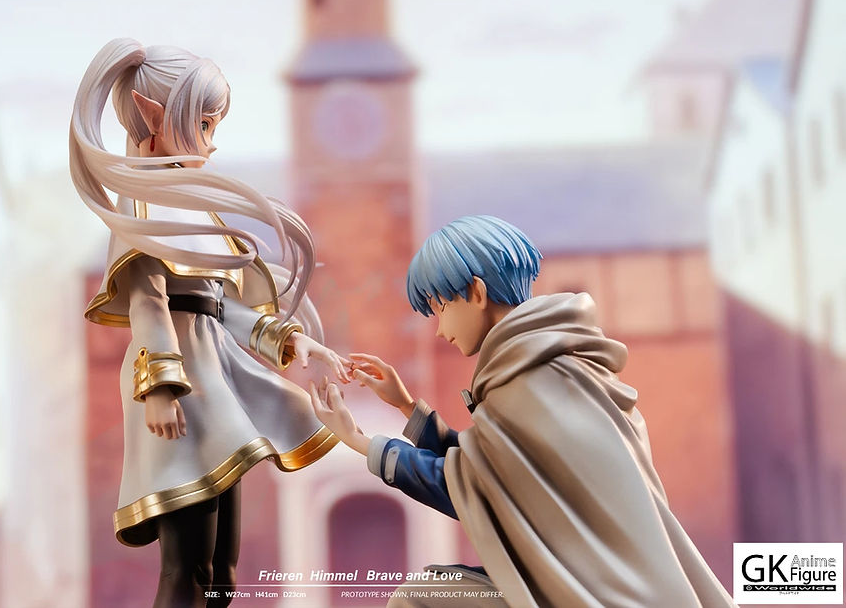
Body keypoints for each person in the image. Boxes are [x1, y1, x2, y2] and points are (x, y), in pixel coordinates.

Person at [311, 215, 737, 607]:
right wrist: (407, 406)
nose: (439, 330)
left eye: (441, 308)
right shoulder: (547, 365)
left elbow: (474, 486)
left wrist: (358, 441)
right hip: (573, 579)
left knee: (420, 600)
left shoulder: (533, 378)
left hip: (589, 593)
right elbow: (497, 473)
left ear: (476, 293)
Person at [70, 38, 347, 608]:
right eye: (201, 123)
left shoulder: (195, 205)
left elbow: (223, 306)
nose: (211, 140)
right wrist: (160, 388)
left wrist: (293, 339)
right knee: (189, 565)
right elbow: (149, 303)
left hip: (215, 373)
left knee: (222, 567)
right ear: (154, 117)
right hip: (178, 379)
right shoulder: (142, 208)